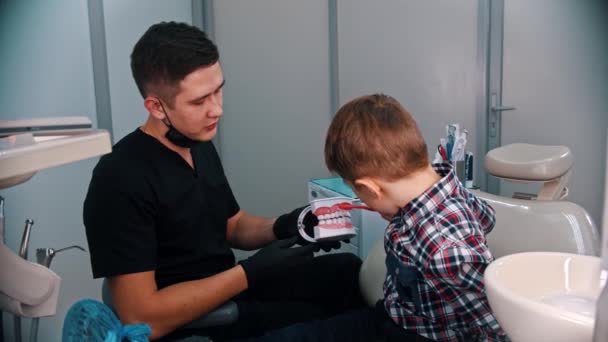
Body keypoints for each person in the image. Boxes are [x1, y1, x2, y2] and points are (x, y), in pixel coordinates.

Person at [83, 21, 363, 341]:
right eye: (200, 101)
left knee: (346, 273)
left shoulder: (197, 143)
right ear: (156, 107)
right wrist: (250, 272)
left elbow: (232, 225)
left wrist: (288, 224)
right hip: (198, 322)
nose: (216, 109)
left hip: (228, 288)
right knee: (335, 325)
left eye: (218, 90)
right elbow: (142, 318)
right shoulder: (120, 179)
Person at [321, 94, 507, 341]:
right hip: (398, 312)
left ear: (370, 188)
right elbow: (487, 217)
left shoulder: (444, 251)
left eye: (357, 192)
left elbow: (498, 326)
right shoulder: (444, 185)